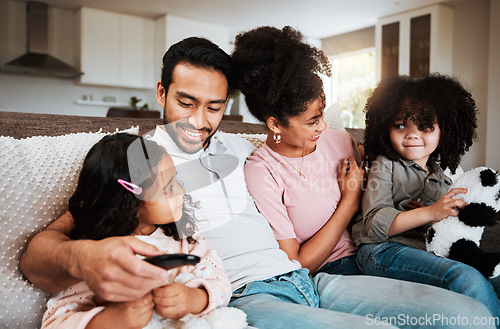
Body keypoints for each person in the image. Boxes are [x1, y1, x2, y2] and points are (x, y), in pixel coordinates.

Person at [20, 36, 496, 329]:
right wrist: (85, 256)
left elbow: (304, 151)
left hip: (312, 280)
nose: (199, 120)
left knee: (468, 316)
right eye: (186, 102)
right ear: (161, 92)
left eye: (214, 106)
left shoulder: (241, 150)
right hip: (250, 294)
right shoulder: (141, 159)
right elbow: (45, 248)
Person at [40, 133, 231, 329]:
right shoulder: (98, 257)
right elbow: (56, 321)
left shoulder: (185, 238)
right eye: (168, 188)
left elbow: (221, 283)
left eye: (176, 181)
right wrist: (114, 319)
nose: (181, 192)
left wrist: (194, 298)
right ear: (128, 202)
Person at [351, 74, 500, 324]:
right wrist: (430, 212)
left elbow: (443, 227)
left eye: (425, 126)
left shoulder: (442, 177)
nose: (412, 135)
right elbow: (373, 225)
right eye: (400, 125)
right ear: (385, 127)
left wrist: (436, 218)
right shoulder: (385, 164)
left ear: (445, 131)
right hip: (381, 250)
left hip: (425, 249)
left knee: (490, 274)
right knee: (465, 278)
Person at [232, 26, 363, 275]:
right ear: (275, 123)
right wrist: (349, 203)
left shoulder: (342, 141)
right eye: (312, 121)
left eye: (321, 115)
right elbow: (296, 263)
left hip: (378, 252)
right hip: (331, 272)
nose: (322, 126)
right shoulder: (262, 172)